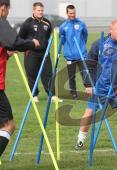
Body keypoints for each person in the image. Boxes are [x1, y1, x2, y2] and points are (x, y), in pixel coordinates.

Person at [75, 20, 117, 150]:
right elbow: (88, 65)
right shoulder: (100, 44)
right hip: (99, 86)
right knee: (89, 113)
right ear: (111, 30)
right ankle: (80, 140)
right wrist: (88, 84)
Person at [0, 0, 40, 158]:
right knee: (8, 125)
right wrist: (32, 43)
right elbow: (14, 42)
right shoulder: (1, 22)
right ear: (4, 8)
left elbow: (8, 46)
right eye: (8, 10)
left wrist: (7, 53)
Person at [18, 2, 62, 102]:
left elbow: (47, 36)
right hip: (31, 53)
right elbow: (21, 37)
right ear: (34, 11)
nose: (40, 12)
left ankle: (52, 95)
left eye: (42, 10)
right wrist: (27, 47)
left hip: (45, 53)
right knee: (32, 74)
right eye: (38, 10)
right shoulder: (28, 22)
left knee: (48, 74)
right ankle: (34, 95)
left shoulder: (47, 23)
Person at [59, 4, 88, 100]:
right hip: (70, 56)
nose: (72, 15)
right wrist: (68, 48)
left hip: (81, 54)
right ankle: (74, 93)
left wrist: (81, 46)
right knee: (71, 76)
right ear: (67, 13)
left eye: (74, 13)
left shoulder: (81, 24)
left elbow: (85, 36)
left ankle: (89, 91)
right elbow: (62, 40)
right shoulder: (63, 26)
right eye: (70, 13)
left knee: (85, 74)